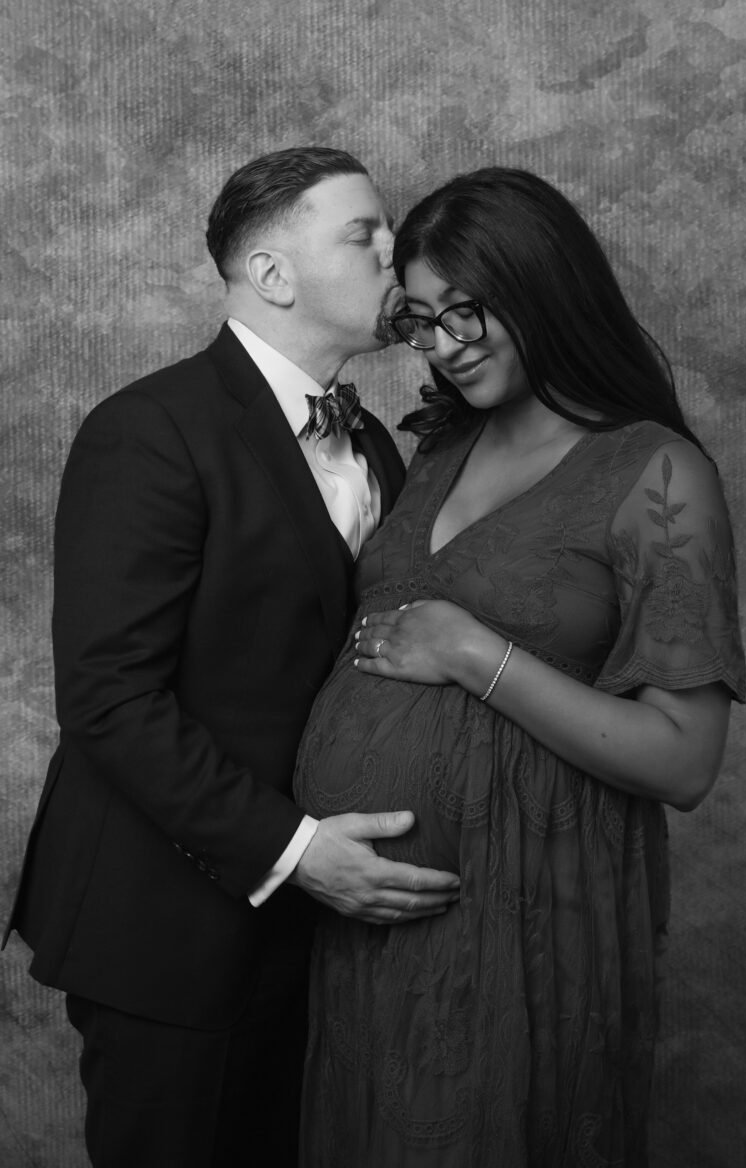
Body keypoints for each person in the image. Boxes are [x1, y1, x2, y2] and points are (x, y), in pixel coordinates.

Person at [2, 146, 461, 1168]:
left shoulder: (378, 445)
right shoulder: (149, 431)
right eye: (366, 233)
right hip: (165, 926)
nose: (399, 250)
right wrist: (300, 853)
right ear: (273, 274)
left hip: (309, 936)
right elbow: (110, 701)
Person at [293, 167, 746, 1167]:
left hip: (530, 918)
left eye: (470, 311)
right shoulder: (441, 452)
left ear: (545, 288)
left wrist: (473, 651)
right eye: (422, 320)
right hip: (369, 927)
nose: (446, 345)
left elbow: (684, 760)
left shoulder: (655, 473)